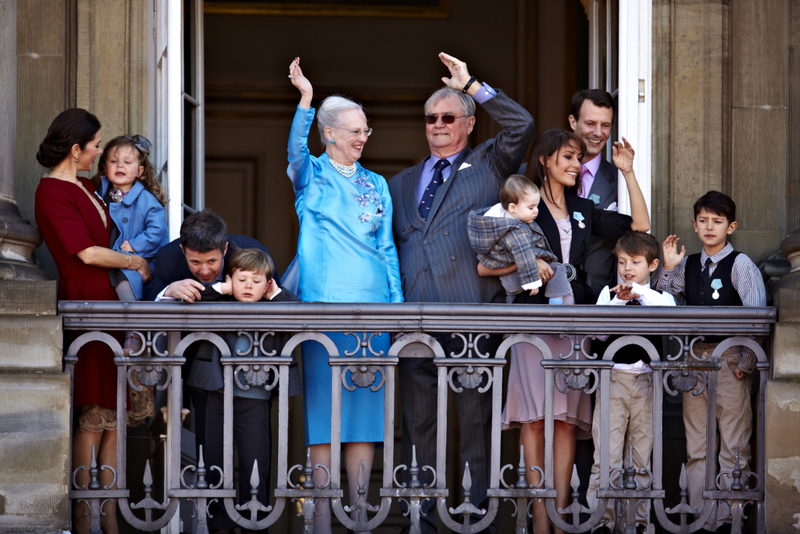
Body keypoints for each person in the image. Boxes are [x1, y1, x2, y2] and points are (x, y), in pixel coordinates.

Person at [388, 52, 534, 533]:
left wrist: (472, 84)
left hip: (472, 316)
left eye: (448, 117)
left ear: (469, 124)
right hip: (415, 319)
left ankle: (478, 518)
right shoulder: (401, 182)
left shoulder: (487, 162)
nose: (437, 125)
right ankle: (422, 519)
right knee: (419, 428)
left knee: (476, 425)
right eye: (431, 118)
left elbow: (522, 124)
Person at [488, 128, 649, 534]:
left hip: (575, 316)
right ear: (545, 160)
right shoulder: (520, 205)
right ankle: (540, 521)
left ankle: (559, 522)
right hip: (533, 317)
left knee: (563, 420)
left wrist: (628, 173)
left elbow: (641, 227)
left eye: (579, 158)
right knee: (534, 419)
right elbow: (485, 265)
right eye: (568, 157)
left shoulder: (583, 206)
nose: (577, 165)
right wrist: (529, 267)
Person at [285, 57, 403, 534]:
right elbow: (294, 151)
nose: (361, 138)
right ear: (328, 133)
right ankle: (321, 520)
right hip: (323, 307)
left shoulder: (377, 183)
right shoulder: (309, 174)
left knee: (365, 416)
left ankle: (358, 515)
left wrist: (395, 309)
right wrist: (306, 102)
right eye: (352, 130)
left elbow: (388, 246)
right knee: (324, 416)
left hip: (372, 311)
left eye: (365, 131)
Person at [34, 108, 152, 534]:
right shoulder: (51, 192)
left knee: (115, 412)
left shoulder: (87, 185)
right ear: (75, 148)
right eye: (97, 145)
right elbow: (84, 252)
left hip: (109, 300)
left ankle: (111, 516)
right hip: (86, 300)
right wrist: (134, 260)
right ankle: (85, 519)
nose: (101, 152)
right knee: (94, 411)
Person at [654, 191, 766, 532]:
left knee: (734, 443)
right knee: (697, 443)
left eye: (717, 221)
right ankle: (703, 519)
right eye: (703, 220)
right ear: (694, 223)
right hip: (694, 360)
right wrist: (670, 269)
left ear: (730, 226)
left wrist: (744, 364)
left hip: (730, 357)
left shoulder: (741, 264)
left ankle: (731, 519)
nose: (709, 227)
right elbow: (665, 304)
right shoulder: (689, 264)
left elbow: (757, 316)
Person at [145, 209, 277, 470]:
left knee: (255, 457)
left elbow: (277, 299)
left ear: (225, 249)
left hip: (252, 372)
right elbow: (147, 298)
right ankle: (212, 511)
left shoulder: (252, 252)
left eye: (213, 262)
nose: (205, 271)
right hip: (199, 368)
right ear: (183, 250)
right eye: (195, 263)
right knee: (210, 457)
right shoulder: (168, 259)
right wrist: (169, 290)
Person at [185, 248, 301, 533]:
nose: (248, 286)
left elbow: (299, 312)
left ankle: (254, 523)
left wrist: (275, 295)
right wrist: (223, 287)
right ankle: (217, 526)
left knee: (255, 464)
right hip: (216, 394)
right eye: (242, 279)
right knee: (213, 464)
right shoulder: (218, 298)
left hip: (256, 400)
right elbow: (194, 299)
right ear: (230, 280)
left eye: (257, 281)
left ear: (268, 285)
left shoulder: (276, 305)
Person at [588, 231, 675, 534]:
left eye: (635, 262)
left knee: (641, 455)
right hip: (614, 380)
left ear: (652, 266)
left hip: (647, 383)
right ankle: (602, 521)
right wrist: (618, 302)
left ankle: (638, 522)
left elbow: (669, 310)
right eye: (622, 261)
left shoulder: (657, 297)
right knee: (607, 455)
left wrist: (638, 293)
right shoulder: (607, 294)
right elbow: (597, 334)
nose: (627, 268)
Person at [92, 134, 168, 355]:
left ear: (140, 171)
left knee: (125, 277)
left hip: (143, 259)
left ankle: (134, 331)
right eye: (114, 161)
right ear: (105, 166)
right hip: (112, 257)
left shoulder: (146, 200)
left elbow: (157, 232)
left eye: (127, 162)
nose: (120, 166)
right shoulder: (104, 193)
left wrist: (134, 246)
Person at [468, 174, 574, 304]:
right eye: (531, 207)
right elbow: (523, 253)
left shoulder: (500, 223)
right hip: (521, 277)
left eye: (537, 206)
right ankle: (556, 306)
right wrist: (532, 281)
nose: (536, 211)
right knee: (558, 269)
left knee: (513, 301)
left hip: (510, 281)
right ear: (512, 208)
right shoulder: (514, 230)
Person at [568, 89, 620, 297]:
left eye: (605, 125)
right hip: (546, 299)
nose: (598, 133)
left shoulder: (621, 181)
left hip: (598, 299)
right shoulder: (541, 172)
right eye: (590, 124)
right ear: (573, 122)